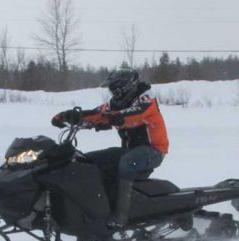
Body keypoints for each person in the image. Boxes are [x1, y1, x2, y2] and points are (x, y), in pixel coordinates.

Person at [51, 68, 169, 229]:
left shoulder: (146, 99)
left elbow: (135, 114)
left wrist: (114, 119)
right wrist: (71, 116)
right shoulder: (116, 104)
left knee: (127, 163)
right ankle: (97, 208)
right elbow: (98, 113)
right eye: (112, 90)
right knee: (86, 161)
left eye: (116, 89)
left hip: (153, 151)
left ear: (126, 88)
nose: (113, 93)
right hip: (129, 150)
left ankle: (121, 216)